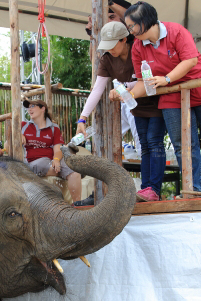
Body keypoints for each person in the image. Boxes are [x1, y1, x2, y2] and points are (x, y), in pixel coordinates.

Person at [78, 21, 165, 202]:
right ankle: (146, 189)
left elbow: (148, 77)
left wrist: (124, 86)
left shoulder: (140, 49)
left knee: (154, 143)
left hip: (156, 102)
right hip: (136, 107)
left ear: (124, 39)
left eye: (113, 45)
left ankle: (154, 189)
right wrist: (82, 118)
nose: (110, 50)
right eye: (106, 46)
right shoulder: (107, 59)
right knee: (144, 146)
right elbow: (97, 89)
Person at [125, 1, 201, 193]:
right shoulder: (137, 47)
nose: (131, 30)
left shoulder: (176, 31)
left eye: (132, 25)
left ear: (145, 20)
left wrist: (167, 78)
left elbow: (191, 60)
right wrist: (127, 95)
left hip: (196, 86)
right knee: (182, 144)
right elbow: (144, 82)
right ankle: (194, 188)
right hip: (170, 94)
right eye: (128, 27)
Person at [22, 98, 82, 203]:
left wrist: (56, 159)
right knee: (40, 164)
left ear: (42, 109)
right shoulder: (23, 126)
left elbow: (58, 149)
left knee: (75, 172)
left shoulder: (54, 128)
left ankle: (77, 205)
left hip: (50, 160)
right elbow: (8, 145)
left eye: (32, 106)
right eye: (28, 107)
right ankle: (61, 172)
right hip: (33, 162)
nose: (29, 109)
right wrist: (17, 136)